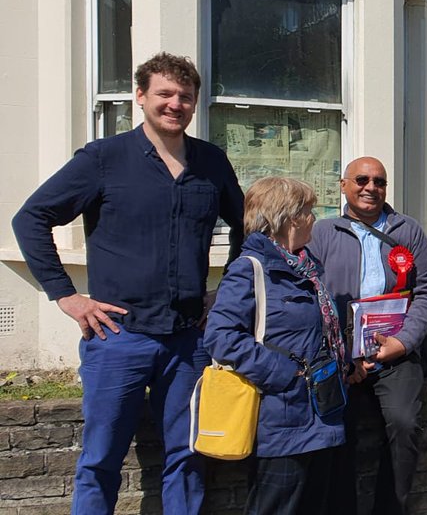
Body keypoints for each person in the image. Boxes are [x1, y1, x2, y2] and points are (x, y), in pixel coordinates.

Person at [11, 53, 244, 515]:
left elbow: (247, 229)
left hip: (187, 341)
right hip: (118, 336)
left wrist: (226, 293)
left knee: (188, 456)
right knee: (101, 460)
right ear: (140, 97)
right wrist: (66, 295)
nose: (175, 104)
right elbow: (31, 218)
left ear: (195, 102)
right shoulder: (104, 159)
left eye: (185, 96)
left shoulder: (211, 163)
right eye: (164, 94)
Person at [307, 156, 427, 515]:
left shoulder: (407, 231)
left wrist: (402, 342)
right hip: (341, 355)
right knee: (337, 432)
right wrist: (338, 353)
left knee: (404, 424)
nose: (371, 187)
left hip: (396, 352)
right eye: (362, 180)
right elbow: (310, 294)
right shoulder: (322, 233)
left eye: (379, 182)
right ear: (344, 186)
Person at [205, 177, 344, 514]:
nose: (314, 219)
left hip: (321, 413)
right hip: (282, 418)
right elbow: (221, 336)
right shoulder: (250, 269)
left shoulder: (305, 267)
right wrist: (284, 373)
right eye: (309, 211)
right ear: (289, 218)